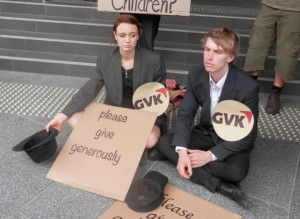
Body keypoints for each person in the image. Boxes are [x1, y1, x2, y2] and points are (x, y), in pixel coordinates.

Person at [151, 28, 259, 209]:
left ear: (230, 57)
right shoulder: (196, 74)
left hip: (232, 137)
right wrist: (184, 151)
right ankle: (222, 187)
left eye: (217, 52)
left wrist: (209, 156)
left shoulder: (247, 86)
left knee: (237, 171)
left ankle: (180, 160)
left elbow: (249, 136)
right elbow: (185, 114)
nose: (209, 56)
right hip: (206, 131)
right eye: (207, 49)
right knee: (164, 142)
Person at [46, 14, 167, 149]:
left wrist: (142, 121)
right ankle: (121, 138)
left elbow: (159, 97)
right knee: (72, 117)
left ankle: (112, 137)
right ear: (115, 35)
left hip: (142, 115)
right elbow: (89, 89)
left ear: (139, 35)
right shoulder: (105, 58)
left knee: (150, 140)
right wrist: (61, 117)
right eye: (122, 35)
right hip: (114, 114)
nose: (127, 40)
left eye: (132, 35)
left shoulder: (154, 60)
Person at [243, 0, 300, 115]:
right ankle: (249, 89)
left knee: (287, 52)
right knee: (257, 45)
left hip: (295, 8)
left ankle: (275, 92)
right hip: (269, 5)